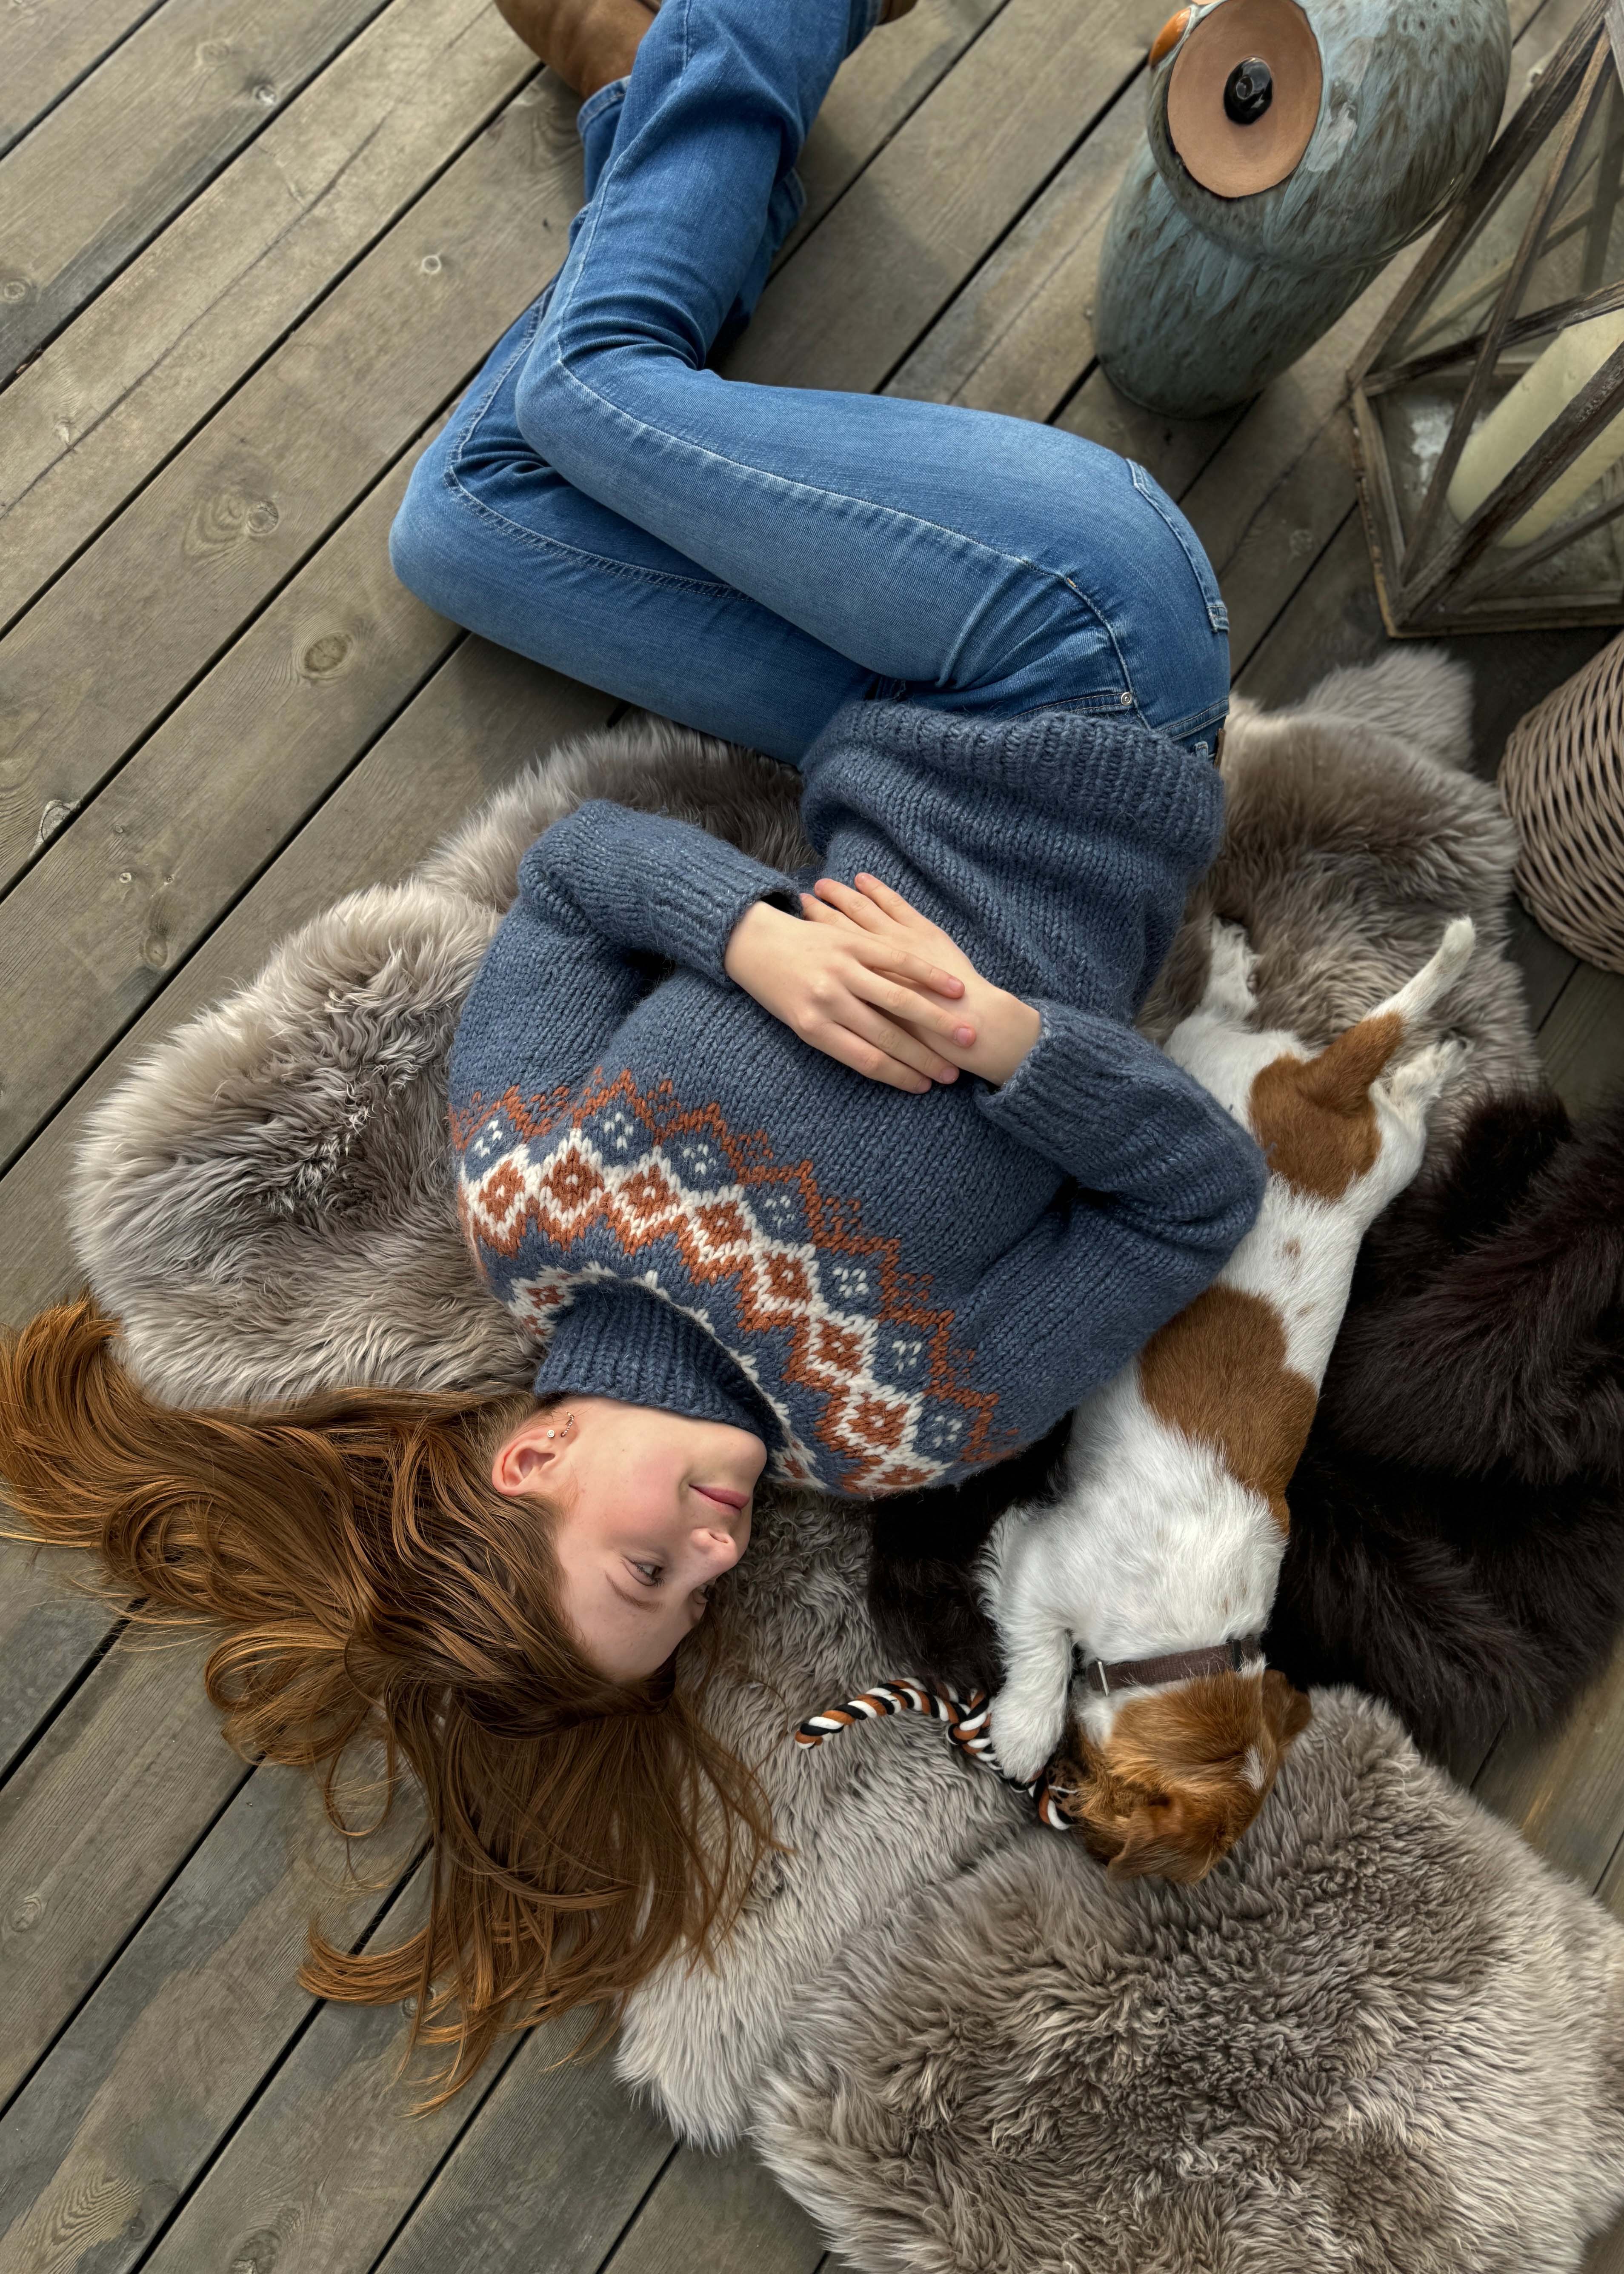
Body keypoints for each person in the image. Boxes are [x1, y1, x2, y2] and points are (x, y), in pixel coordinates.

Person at [0, 0, 1260, 2101]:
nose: (715, 1554)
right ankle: (701, 54)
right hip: (1097, 658)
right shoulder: (904, 1418)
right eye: (692, 1605)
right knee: (586, 395)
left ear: (529, 1459)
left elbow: (586, 871)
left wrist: (755, 939)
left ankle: (679, 85)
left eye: (639, 1563)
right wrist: (1021, 1043)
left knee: (470, 521)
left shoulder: (525, 1190)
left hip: (878, 715)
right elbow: (1194, 1196)